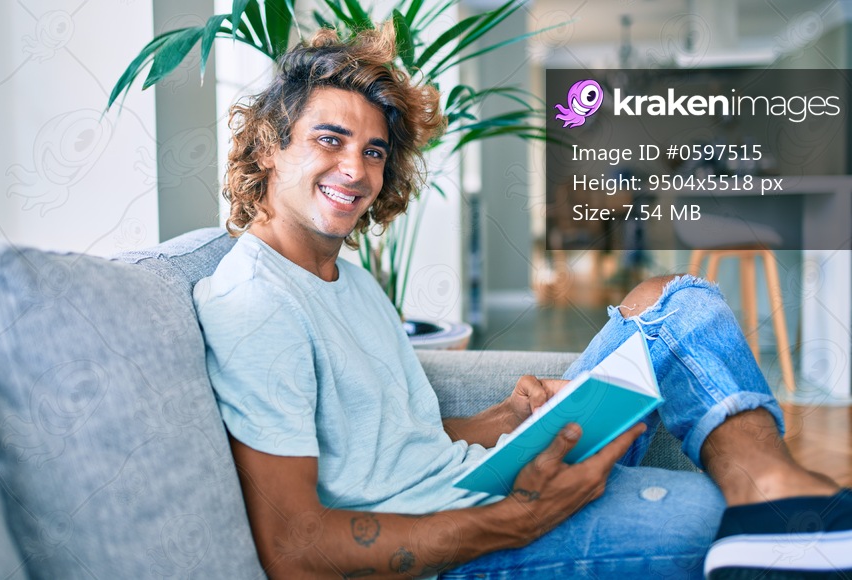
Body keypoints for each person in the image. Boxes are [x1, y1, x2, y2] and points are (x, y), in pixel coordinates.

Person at [193, 22, 852, 579]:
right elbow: (293, 548)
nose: (358, 171)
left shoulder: (352, 279)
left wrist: (507, 416)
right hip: (457, 544)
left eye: (373, 152)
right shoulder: (256, 303)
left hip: (482, 483)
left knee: (671, 300)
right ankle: (777, 509)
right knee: (713, 513)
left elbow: (395, 443)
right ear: (269, 148)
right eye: (329, 140)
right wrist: (509, 524)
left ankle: (771, 491)